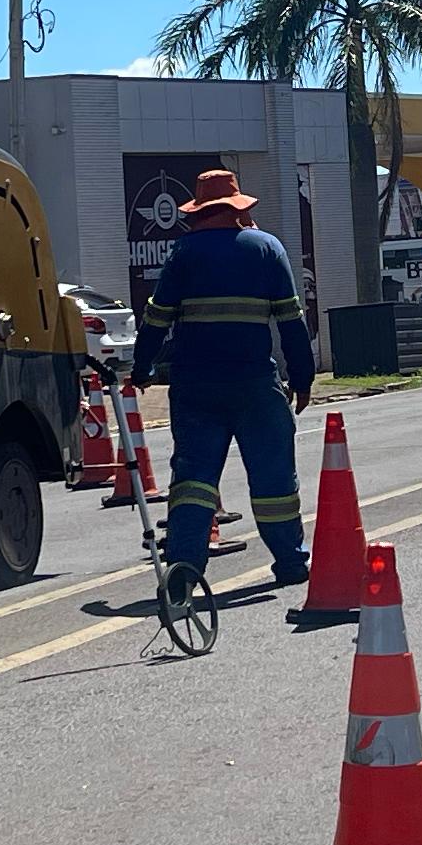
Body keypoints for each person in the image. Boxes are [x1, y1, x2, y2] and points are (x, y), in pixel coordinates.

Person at [132, 168, 315, 605]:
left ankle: (183, 573)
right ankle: (290, 562)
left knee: (193, 481)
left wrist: (141, 369)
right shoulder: (267, 248)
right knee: (273, 479)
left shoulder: (183, 253)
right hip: (255, 385)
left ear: (198, 212)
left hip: (195, 388)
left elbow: (156, 319)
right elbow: (292, 322)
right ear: (238, 209)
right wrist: (303, 379)